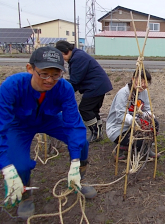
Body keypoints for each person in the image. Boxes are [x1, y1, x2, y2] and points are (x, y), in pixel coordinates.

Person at [0, 47, 97, 220]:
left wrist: (75, 162)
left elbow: (73, 124)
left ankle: (78, 179)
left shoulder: (64, 88)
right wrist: (6, 166)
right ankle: (25, 194)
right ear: (30, 68)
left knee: (81, 142)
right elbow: (1, 125)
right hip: (19, 124)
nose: (50, 80)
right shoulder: (12, 86)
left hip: (50, 119)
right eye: (44, 74)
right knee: (19, 165)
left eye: (56, 74)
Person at [55, 41, 113, 143]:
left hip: (95, 86)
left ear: (65, 52)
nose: (62, 60)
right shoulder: (77, 55)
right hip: (99, 85)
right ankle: (98, 133)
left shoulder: (78, 58)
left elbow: (75, 81)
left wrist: (61, 88)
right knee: (93, 110)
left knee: (85, 109)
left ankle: (96, 132)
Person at [106, 69, 159, 159]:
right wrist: (135, 121)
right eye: (141, 81)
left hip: (134, 126)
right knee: (139, 142)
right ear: (133, 79)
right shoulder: (123, 93)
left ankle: (146, 148)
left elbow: (147, 110)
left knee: (155, 124)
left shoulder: (144, 92)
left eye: (146, 82)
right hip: (119, 129)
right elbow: (120, 116)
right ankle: (120, 147)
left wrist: (150, 117)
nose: (143, 85)